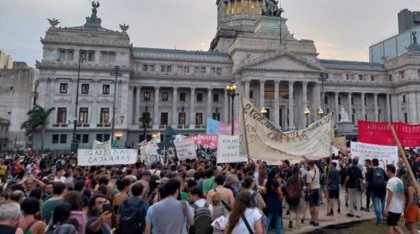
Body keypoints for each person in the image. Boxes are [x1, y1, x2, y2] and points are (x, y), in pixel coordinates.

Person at [365, 158, 387, 224]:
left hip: (374, 190)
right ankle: (384, 217)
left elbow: (367, 182)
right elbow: (386, 179)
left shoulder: (370, 171)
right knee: (383, 203)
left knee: (376, 205)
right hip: (383, 189)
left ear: (372, 163)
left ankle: (379, 220)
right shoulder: (382, 170)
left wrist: (366, 189)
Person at [384, 164, 404, 234]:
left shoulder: (391, 181)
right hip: (399, 207)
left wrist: (386, 209)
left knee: (390, 225)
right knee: (395, 224)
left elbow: (389, 196)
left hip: (392, 208)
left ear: (389, 171)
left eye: (386, 171)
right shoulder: (400, 181)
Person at [265, 167, 283, 234]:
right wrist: (281, 187)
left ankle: (264, 231)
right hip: (276, 200)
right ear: (277, 173)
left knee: (268, 217)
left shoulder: (268, 181)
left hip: (269, 199)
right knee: (278, 217)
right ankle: (278, 232)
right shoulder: (275, 182)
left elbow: (265, 191)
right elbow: (279, 192)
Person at [306, 161, 320, 226]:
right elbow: (314, 165)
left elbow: (310, 184)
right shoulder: (317, 170)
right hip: (317, 189)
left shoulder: (309, 173)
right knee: (316, 205)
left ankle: (312, 219)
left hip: (312, 190)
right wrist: (307, 159)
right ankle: (315, 220)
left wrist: (308, 191)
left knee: (311, 205)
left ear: (309, 165)